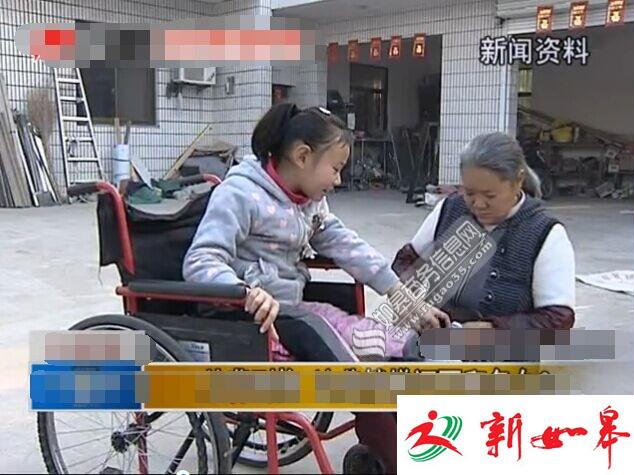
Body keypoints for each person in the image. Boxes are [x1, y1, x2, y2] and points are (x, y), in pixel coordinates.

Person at [183, 102, 449, 473]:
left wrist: (405, 298)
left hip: (296, 310)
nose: (338, 180)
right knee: (347, 363)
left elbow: (348, 246)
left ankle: (419, 431)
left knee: (396, 344)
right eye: (336, 168)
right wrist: (242, 291)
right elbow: (200, 260)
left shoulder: (308, 203)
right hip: (252, 320)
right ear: (303, 156)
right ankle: (397, 454)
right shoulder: (239, 194)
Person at [393, 132, 576, 330]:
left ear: (518, 181)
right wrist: (414, 303)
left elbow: (558, 320)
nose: (478, 204)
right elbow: (405, 262)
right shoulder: (450, 209)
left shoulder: (545, 232)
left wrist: (492, 329)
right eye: (469, 193)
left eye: (490, 195)